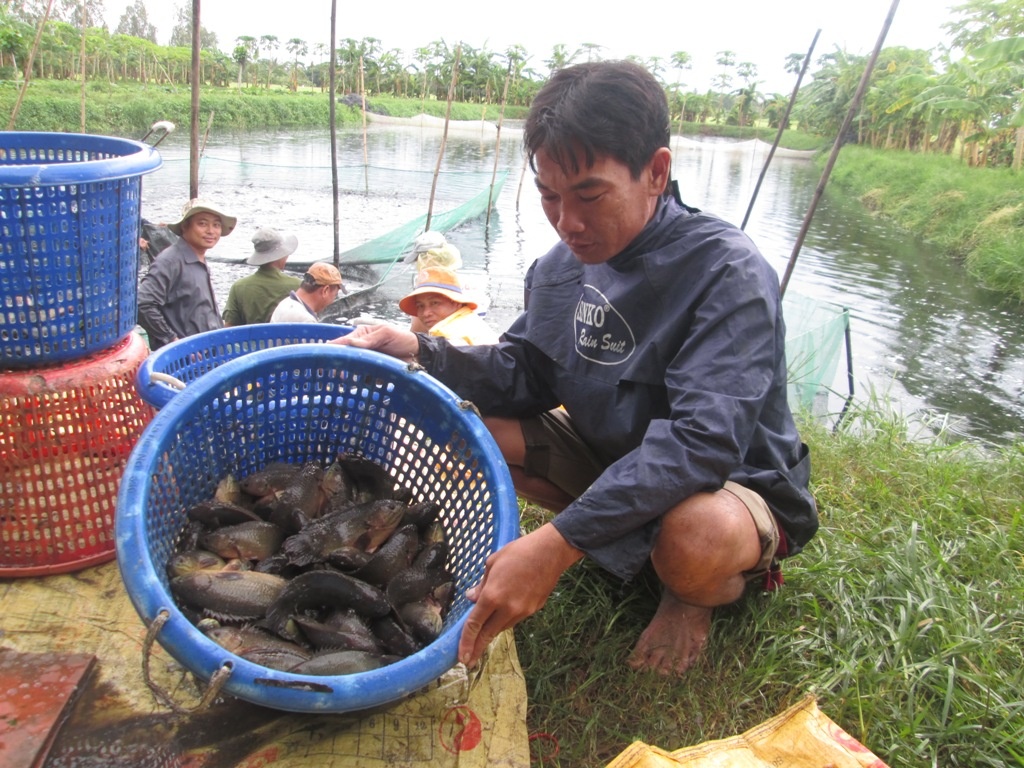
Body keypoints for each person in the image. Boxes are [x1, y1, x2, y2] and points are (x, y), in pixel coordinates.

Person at [334, 60, 817, 677]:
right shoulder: (560, 268)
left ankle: (687, 595)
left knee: (696, 535)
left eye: (589, 194)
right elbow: (524, 375)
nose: (568, 221)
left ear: (657, 172)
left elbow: (703, 443)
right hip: (615, 456)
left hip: (730, 484)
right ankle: (621, 530)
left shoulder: (726, 272)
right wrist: (419, 349)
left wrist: (558, 543)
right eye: (549, 196)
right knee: (464, 426)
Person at [137, 198, 236, 350]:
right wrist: (172, 340)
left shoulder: (197, 258)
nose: (211, 231)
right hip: (186, 362)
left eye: (216, 225)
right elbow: (142, 304)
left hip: (207, 354)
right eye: (202, 224)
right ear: (185, 226)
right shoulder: (170, 261)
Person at [399, 266, 500, 345]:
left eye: (435, 303)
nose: (426, 313)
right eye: (420, 306)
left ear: (456, 302)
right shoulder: (470, 320)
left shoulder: (446, 335)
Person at [222, 227, 302, 326]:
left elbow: (229, 326)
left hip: (250, 341)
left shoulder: (238, 287)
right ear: (281, 255)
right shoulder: (297, 285)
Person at [269, 262, 344, 323]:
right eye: (335, 295)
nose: (333, 300)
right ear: (325, 291)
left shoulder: (285, 303)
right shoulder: (306, 320)